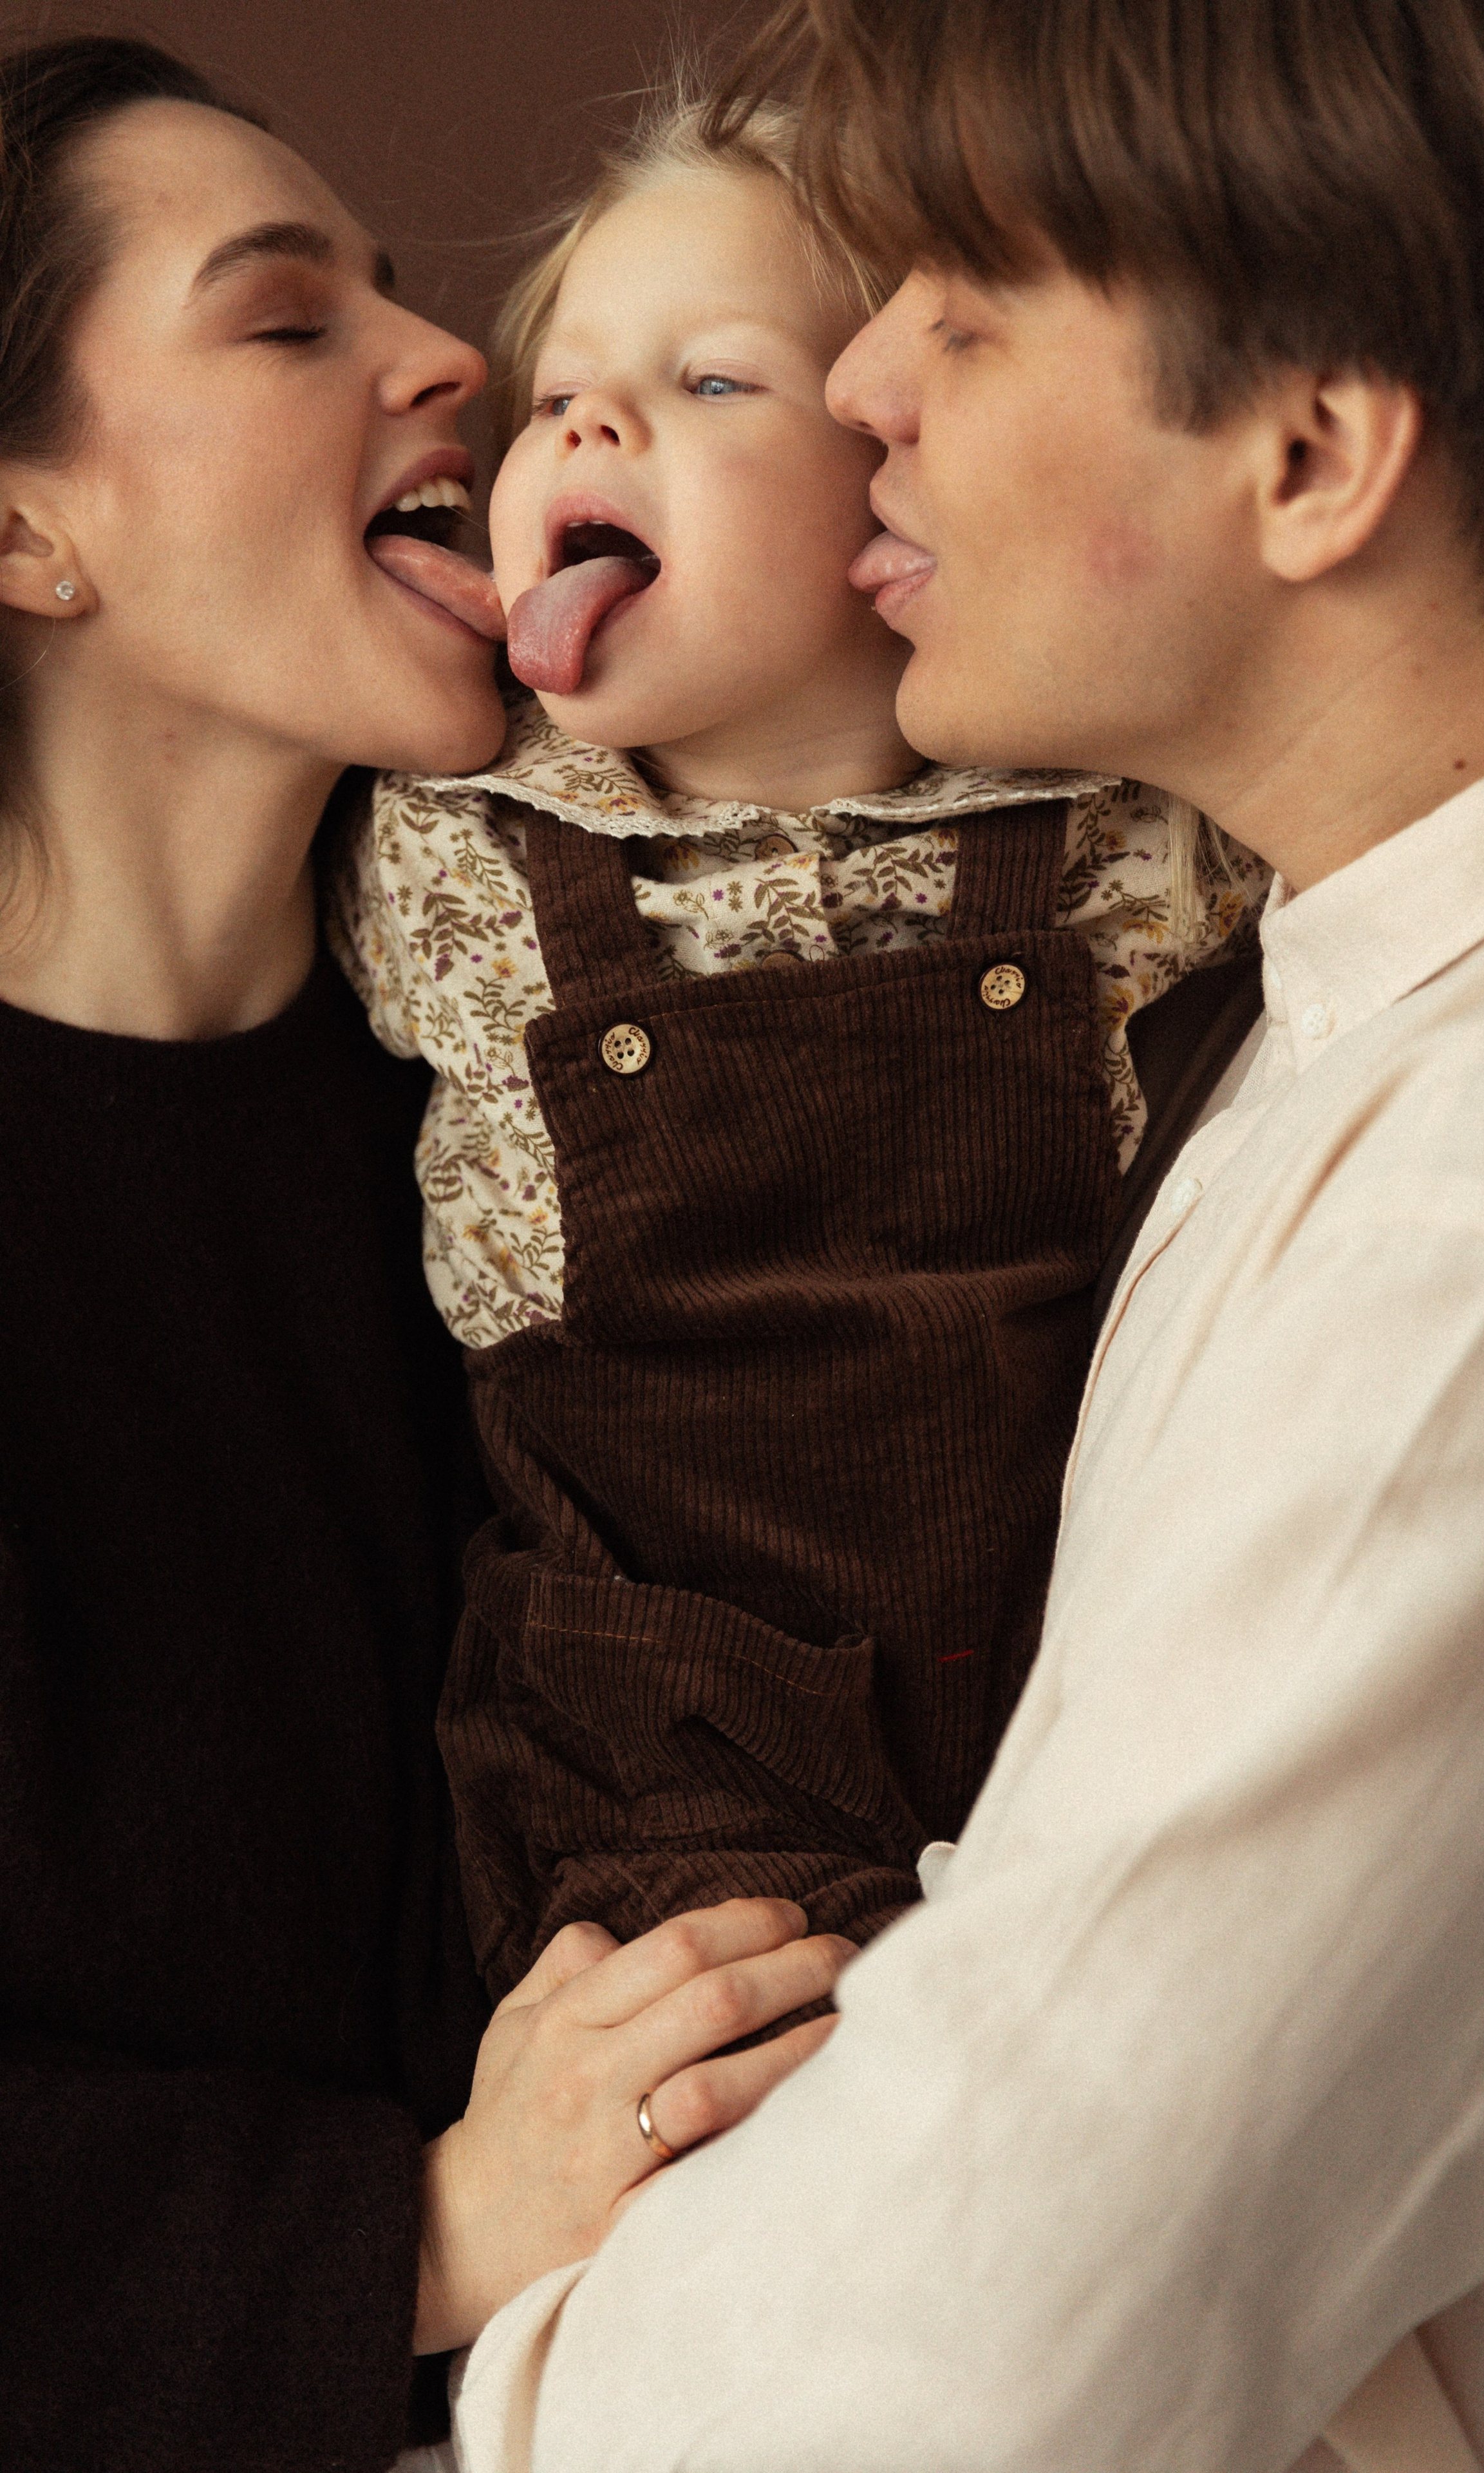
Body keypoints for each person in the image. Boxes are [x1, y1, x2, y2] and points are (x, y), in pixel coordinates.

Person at [443, 1, 1484, 2467]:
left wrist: (490, 2358)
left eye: (965, 313)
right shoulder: (1320, 1002)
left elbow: (959, 2357)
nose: (866, 380)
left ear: (1308, 459)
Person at [0, 38, 849, 2472]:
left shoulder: (543, 1118)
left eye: (396, 285)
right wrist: (414, 2223)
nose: (454, 357)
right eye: (287, 322)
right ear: (27, 531)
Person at [332, 91, 1264, 1993]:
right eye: (566, 393)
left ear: (895, 490)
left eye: (713, 383)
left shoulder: (1114, 840)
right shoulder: (453, 840)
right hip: (642, 1786)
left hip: (1056, 1729)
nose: (591, 424)